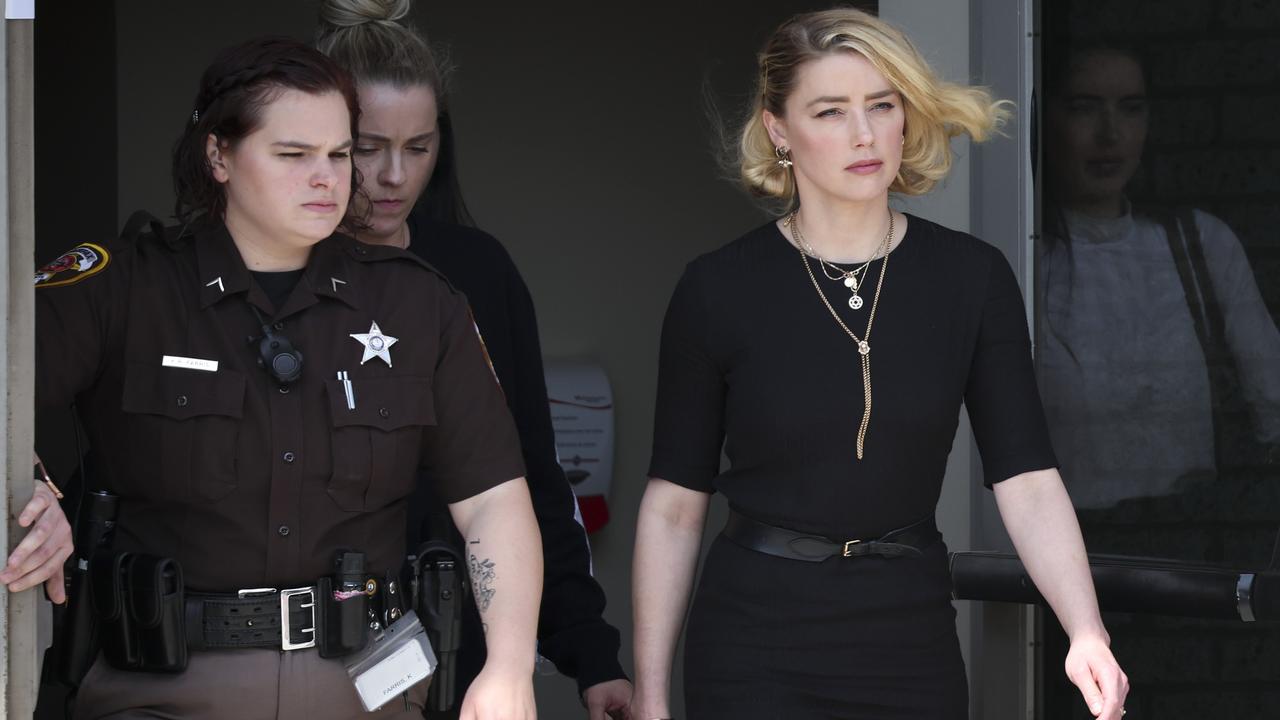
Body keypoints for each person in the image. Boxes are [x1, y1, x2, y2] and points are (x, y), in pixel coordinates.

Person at [629, 9, 1129, 720]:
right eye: (830, 112)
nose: (864, 135)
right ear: (779, 130)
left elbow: (1025, 477)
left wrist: (1084, 629)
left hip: (909, 634)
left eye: (882, 106)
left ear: (905, 117)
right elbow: (675, 507)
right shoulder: (718, 289)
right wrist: (650, 694)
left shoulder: (970, 277)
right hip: (755, 642)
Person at [30, 36, 540, 720]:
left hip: (369, 688)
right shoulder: (122, 286)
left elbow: (492, 500)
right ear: (218, 155)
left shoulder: (419, 304)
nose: (327, 178)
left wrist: (508, 669)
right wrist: (29, 492)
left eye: (338, 154)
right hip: (163, 686)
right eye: (293, 156)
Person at [314, 2, 632, 718]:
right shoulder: (275, 272)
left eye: (419, 147)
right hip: (311, 645)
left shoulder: (477, 271)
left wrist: (591, 653)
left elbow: (535, 478)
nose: (394, 175)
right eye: (367, 147)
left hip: (463, 643)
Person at [1038, 43, 1280, 511]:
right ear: (1046, 118)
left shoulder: (1200, 246)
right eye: (1084, 108)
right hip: (1055, 550)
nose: (1110, 135)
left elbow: (1272, 403)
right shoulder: (1024, 258)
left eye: (1130, 109)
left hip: (1188, 551)